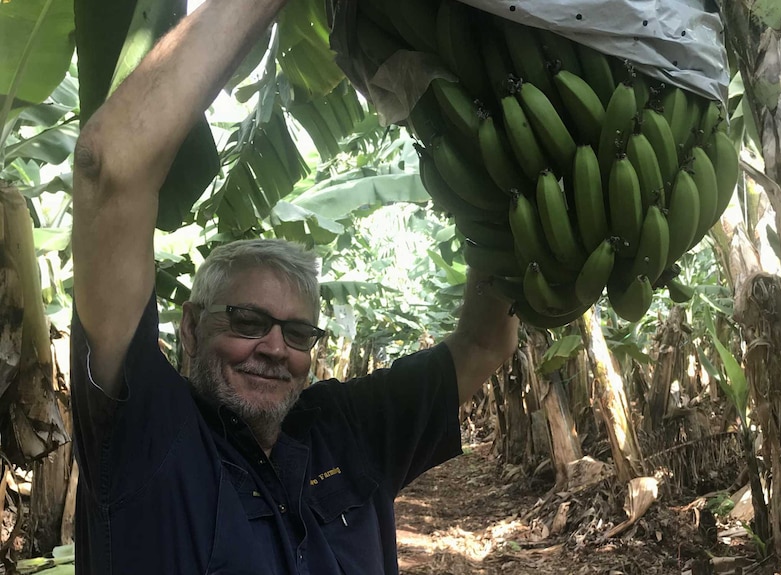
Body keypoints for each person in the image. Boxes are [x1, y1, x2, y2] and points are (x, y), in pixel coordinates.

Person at [69, 0, 519, 573]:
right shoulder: (146, 434)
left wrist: (502, 177)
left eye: (299, 333)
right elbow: (111, 165)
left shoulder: (344, 430)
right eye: (248, 322)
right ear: (190, 325)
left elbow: (485, 344)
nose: (275, 349)